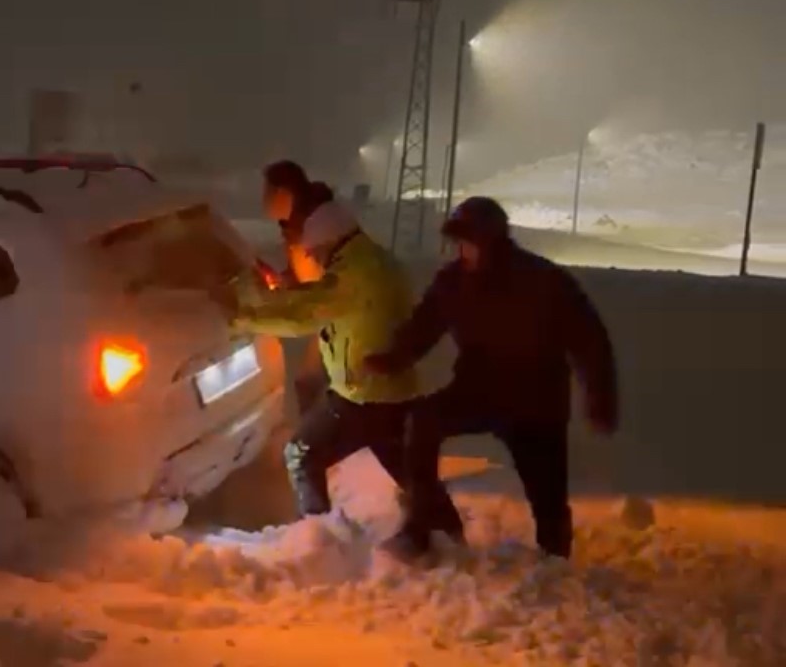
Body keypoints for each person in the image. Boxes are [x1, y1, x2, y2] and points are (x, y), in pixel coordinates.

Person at [363, 196, 618, 560]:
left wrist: (600, 400)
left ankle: (556, 555)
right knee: (423, 420)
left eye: (469, 242)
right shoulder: (454, 282)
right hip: (478, 392)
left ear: (492, 241)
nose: (462, 252)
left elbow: (590, 341)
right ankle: (422, 527)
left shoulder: (543, 281)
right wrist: (391, 360)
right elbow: (424, 326)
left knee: (547, 493)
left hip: (537, 403)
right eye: (459, 244)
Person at [230, 185, 462, 533]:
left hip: (363, 394)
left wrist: (241, 317)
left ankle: (321, 537)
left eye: (315, 251)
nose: (313, 258)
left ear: (325, 237)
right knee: (410, 473)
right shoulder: (368, 258)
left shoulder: (352, 275)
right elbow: (321, 296)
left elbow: (303, 316)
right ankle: (450, 534)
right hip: (395, 391)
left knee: (302, 454)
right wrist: (280, 291)